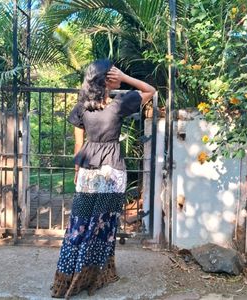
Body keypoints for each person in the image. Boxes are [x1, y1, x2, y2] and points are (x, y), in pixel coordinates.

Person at [51, 59, 156, 298]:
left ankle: (69, 277)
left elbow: (79, 144)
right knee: (103, 225)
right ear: (107, 79)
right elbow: (151, 90)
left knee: (79, 224)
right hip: (112, 172)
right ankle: (96, 275)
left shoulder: (81, 108)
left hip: (88, 171)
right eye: (113, 73)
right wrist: (127, 79)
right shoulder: (118, 105)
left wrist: (77, 169)